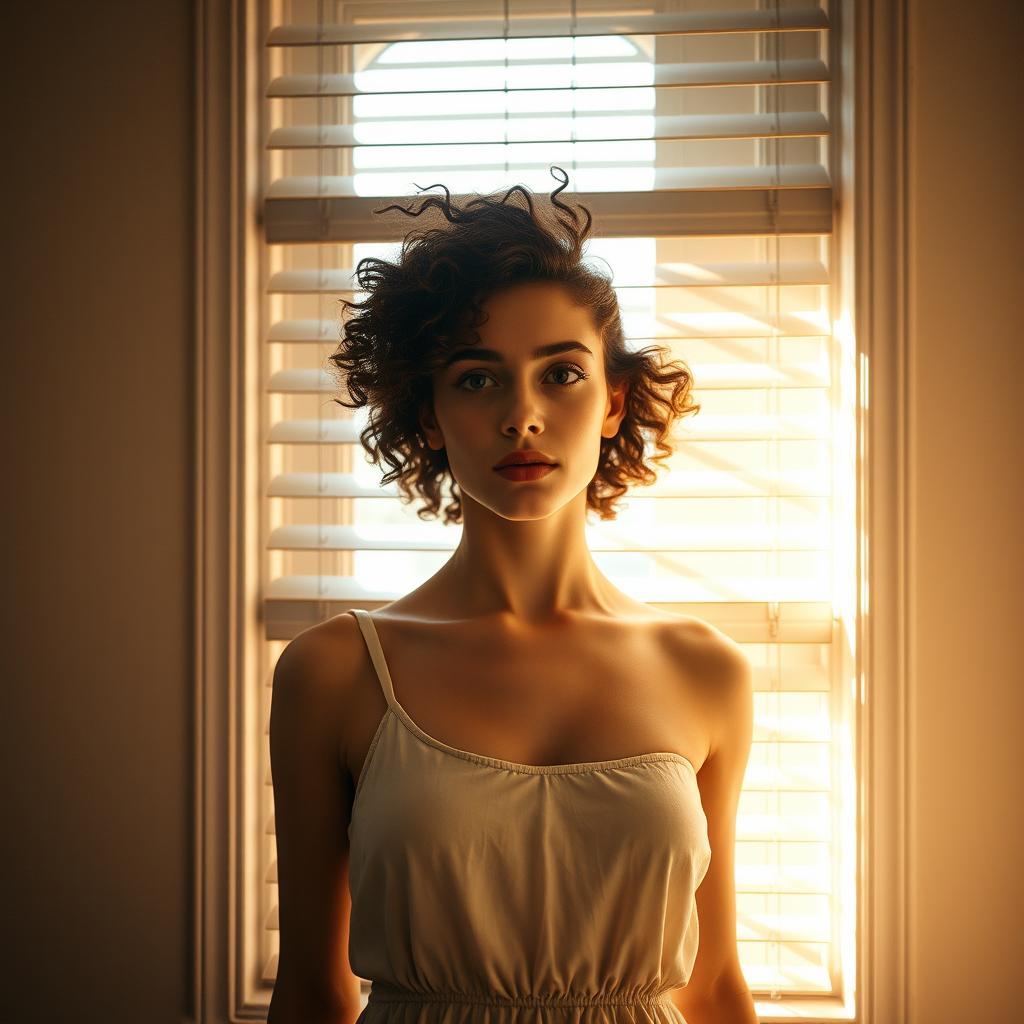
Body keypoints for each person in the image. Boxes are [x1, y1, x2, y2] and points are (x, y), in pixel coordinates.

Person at [267, 167, 757, 1024]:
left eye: (561, 375)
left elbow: (713, 986)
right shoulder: (335, 670)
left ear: (614, 401)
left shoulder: (706, 670)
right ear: (428, 417)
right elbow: (312, 992)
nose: (521, 417)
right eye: (477, 377)